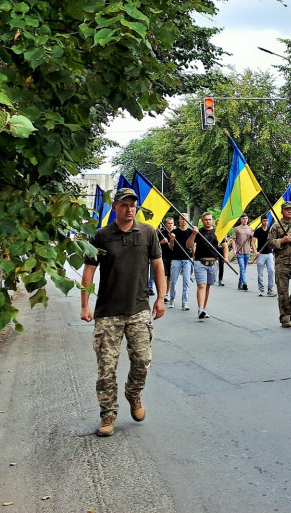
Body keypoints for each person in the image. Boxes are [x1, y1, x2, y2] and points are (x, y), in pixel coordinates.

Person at [81, 186, 166, 437]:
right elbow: (89, 270)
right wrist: (84, 304)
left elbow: (158, 266)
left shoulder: (148, 232)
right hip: (108, 313)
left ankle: (133, 393)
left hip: (139, 309)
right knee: (106, 368)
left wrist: (161, 298)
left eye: (133, 205)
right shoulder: (101, 235)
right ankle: (108, 415)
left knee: (142, 361)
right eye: (124, 205)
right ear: (115, 208)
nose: (129, 209)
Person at [266, 200, 291, 328]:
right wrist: (282, 240)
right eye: (287, 209)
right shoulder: (276, 226)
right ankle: (285, 317)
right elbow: (269, 243)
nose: (290, 211)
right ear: (282, 211)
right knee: (282, 292)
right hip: (281, 263)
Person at [188, 212, 227, 319]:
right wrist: (193, 234)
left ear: (213, 220)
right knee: (201, 285)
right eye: (206, 219)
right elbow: (188, 245)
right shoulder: (198, 232)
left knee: (208, 286)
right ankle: (200, 308)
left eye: (209, 219)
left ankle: (203, 309)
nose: (208, 221)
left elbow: (224, 246)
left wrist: (226, 257)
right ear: (202, 220)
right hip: (200, 262)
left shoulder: (217, 232)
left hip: (213, 263)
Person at [168, 215, 194, 310]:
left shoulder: (191, 232)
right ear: (179, 220)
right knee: (173, 281)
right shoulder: (174, 232)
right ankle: (172, 299)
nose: (184, 220)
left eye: (186, 219)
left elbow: (193, 246)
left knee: (186, 281)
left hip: (187, 258)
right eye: (182, 218)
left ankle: (184, 302)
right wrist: (171, 240)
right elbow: (171, 247)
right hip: (176, 258)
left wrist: (194, 258)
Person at [232, 214, 255, 291]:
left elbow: (253, 241)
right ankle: (245, 283)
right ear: (240, 219)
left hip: (247, 252)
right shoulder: (237, 229)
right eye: (243, 218)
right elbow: (233, 240)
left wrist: (252, 236)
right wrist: (234, 250)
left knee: (243, 269)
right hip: (240, 252)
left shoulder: (250, 229)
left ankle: (239, 283)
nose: (245, 220)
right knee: (242, 268)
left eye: (246, 218)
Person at [254, 216, 275, 297]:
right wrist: (255, 251)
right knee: (260, 273)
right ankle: (261, 289)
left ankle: (270, 289)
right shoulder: (258, 231)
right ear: (261, 221)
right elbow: (253, 241)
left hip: (269, 253)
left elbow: (274, 240)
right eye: (264, 221)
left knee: (271, 271)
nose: (265, 222)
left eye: (266, 220)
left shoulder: (271, 230)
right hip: (261, 253)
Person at [159, 216, 176, 302]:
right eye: (168, 223)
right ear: (165, 224)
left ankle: (166, 293)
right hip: (163, 256)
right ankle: (163, 294)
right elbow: (155, 245)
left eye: (172, 223)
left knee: (169, 277)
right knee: (164, 276)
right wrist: (161, 242)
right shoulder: (161, 233)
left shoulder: (175, 233)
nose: (170, 225)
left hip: (172, 256)